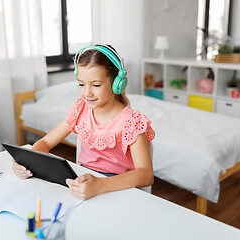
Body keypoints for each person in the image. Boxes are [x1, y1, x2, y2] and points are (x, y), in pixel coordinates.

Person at [12, 43, 155, 200]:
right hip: (84, 184)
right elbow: (46, 142)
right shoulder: (80, 110)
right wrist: (28, 161)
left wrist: (99, 185)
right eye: (81, 84)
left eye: (96, 85)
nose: (87, 93)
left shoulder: (131, 121)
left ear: (116, 84)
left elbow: (146, 175)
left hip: (117, 189)